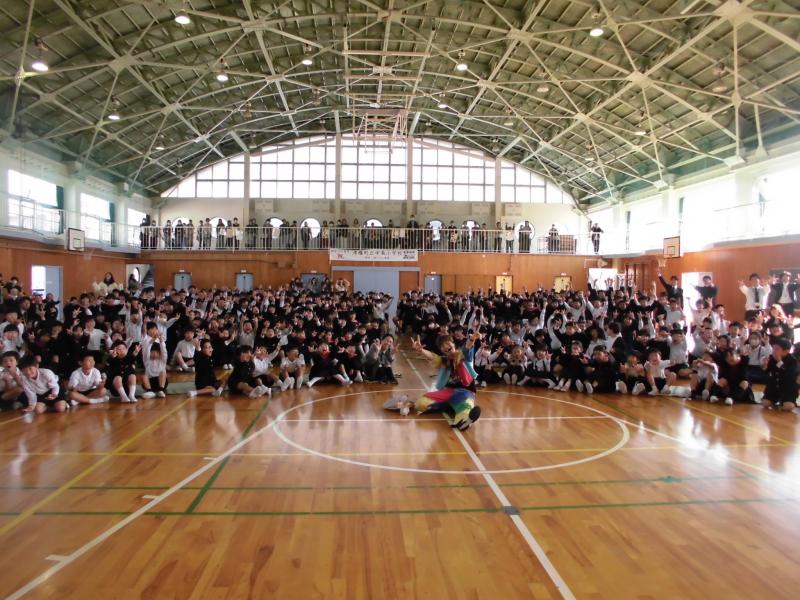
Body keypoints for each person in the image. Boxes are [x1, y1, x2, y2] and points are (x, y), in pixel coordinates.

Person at [409, 332, 482, 430]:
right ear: (442, 350)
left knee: (465, 407)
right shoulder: (445, 361)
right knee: (419, 404)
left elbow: (467, 348)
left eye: (447, 343)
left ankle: (464, 421)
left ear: (453, 344)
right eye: (443, 347)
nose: (446, 347)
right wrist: (421, 350)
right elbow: (433, 357)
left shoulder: (464, 356)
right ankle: (447, 406)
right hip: (448, 392)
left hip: (465, 392)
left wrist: (471, 339)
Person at [761, 338, 798, 412]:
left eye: (777, 349)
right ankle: (775, 402)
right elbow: (767, 372)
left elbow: (789, 375)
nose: (774, 351)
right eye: (773, 348)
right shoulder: (772, 358)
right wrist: (764, 366)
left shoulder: (793, 361)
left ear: (786, 351)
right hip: (773, 387)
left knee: (788, 406)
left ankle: (782, 403)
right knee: (765, 403)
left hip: (787, 389)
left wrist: (779, 361)